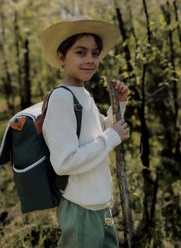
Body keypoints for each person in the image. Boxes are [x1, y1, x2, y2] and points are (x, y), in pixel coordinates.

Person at [41, 16, 130, 248]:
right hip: (81, 207)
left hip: (100, 204)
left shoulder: (83, 94)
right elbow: (65, 161)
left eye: (95, 53)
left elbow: (102, 131)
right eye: (81, 52)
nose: (90, 60)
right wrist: (111, 137)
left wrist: (118, 104)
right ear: (61, 58)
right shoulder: (62, 98)